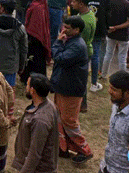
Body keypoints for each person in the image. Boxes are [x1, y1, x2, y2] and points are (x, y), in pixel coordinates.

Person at [50, 16, 93, 164]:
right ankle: (63, 147)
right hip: (63, 86)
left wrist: (57, 42)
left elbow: (59, 58)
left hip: (71, 89)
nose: (64, 29)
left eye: (67, 27)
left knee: (69, 121)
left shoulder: (77, 46)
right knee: (59, 118)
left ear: (77, 30)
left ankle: (85, 150)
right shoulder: (70, 41)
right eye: (64, 26)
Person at [12, 73, 59, 173]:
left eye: (28, 85)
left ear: (33, 91)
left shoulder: (40, 120)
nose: (26, 87)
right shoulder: (49, 105)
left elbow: (34, 153)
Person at [102, 0, 129, 78]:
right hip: (123, 34)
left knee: (108, 54)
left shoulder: (109, 2)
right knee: (122, 57)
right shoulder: (127, 5)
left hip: (110, 32)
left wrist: (110, 27)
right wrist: (117, 27)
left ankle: (103, 74)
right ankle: (122, 77)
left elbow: (104, 16)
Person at [21, 0, 51, 83]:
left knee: (35, 58)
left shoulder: (37, 7)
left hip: (35, 37)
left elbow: (35, 24)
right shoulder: (39, 4)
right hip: (35, 36)